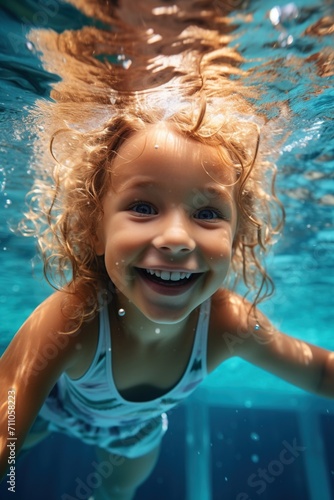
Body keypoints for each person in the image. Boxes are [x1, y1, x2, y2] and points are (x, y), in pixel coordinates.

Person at [0, 4, 333, 500]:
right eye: (142, 206)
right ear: (95, 229)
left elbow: (321, 371)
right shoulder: (73, 317)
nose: (177, 237)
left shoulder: (228, 324)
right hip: (56, 407)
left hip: (135, 433)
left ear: (238, 239)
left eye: (207, 214)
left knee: (116, 493)